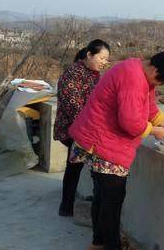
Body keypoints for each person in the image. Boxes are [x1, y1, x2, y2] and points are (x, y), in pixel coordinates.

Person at [69, 51, 164, 250]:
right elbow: (130, 122)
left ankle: (98, 243)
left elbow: (149, 108)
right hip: (104, 143)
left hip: (100, 140)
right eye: (161, 81)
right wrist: (154, 131)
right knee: (112, 201)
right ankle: (111, 245)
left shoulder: (138, 70)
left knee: (102, 195)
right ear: (155, 70)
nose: (159, 85)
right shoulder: (133, 79)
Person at [54, 39, 111, 217]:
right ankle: (68, 206)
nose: (104, 62)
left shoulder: (93, 74)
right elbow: (75, 108)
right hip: (73, 129)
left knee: (76, 166)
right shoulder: (72, 74)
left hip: (86, 127)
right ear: (89, 54)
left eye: (106, 59)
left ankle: (69, 205)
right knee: (76, 166)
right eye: (101, 58)